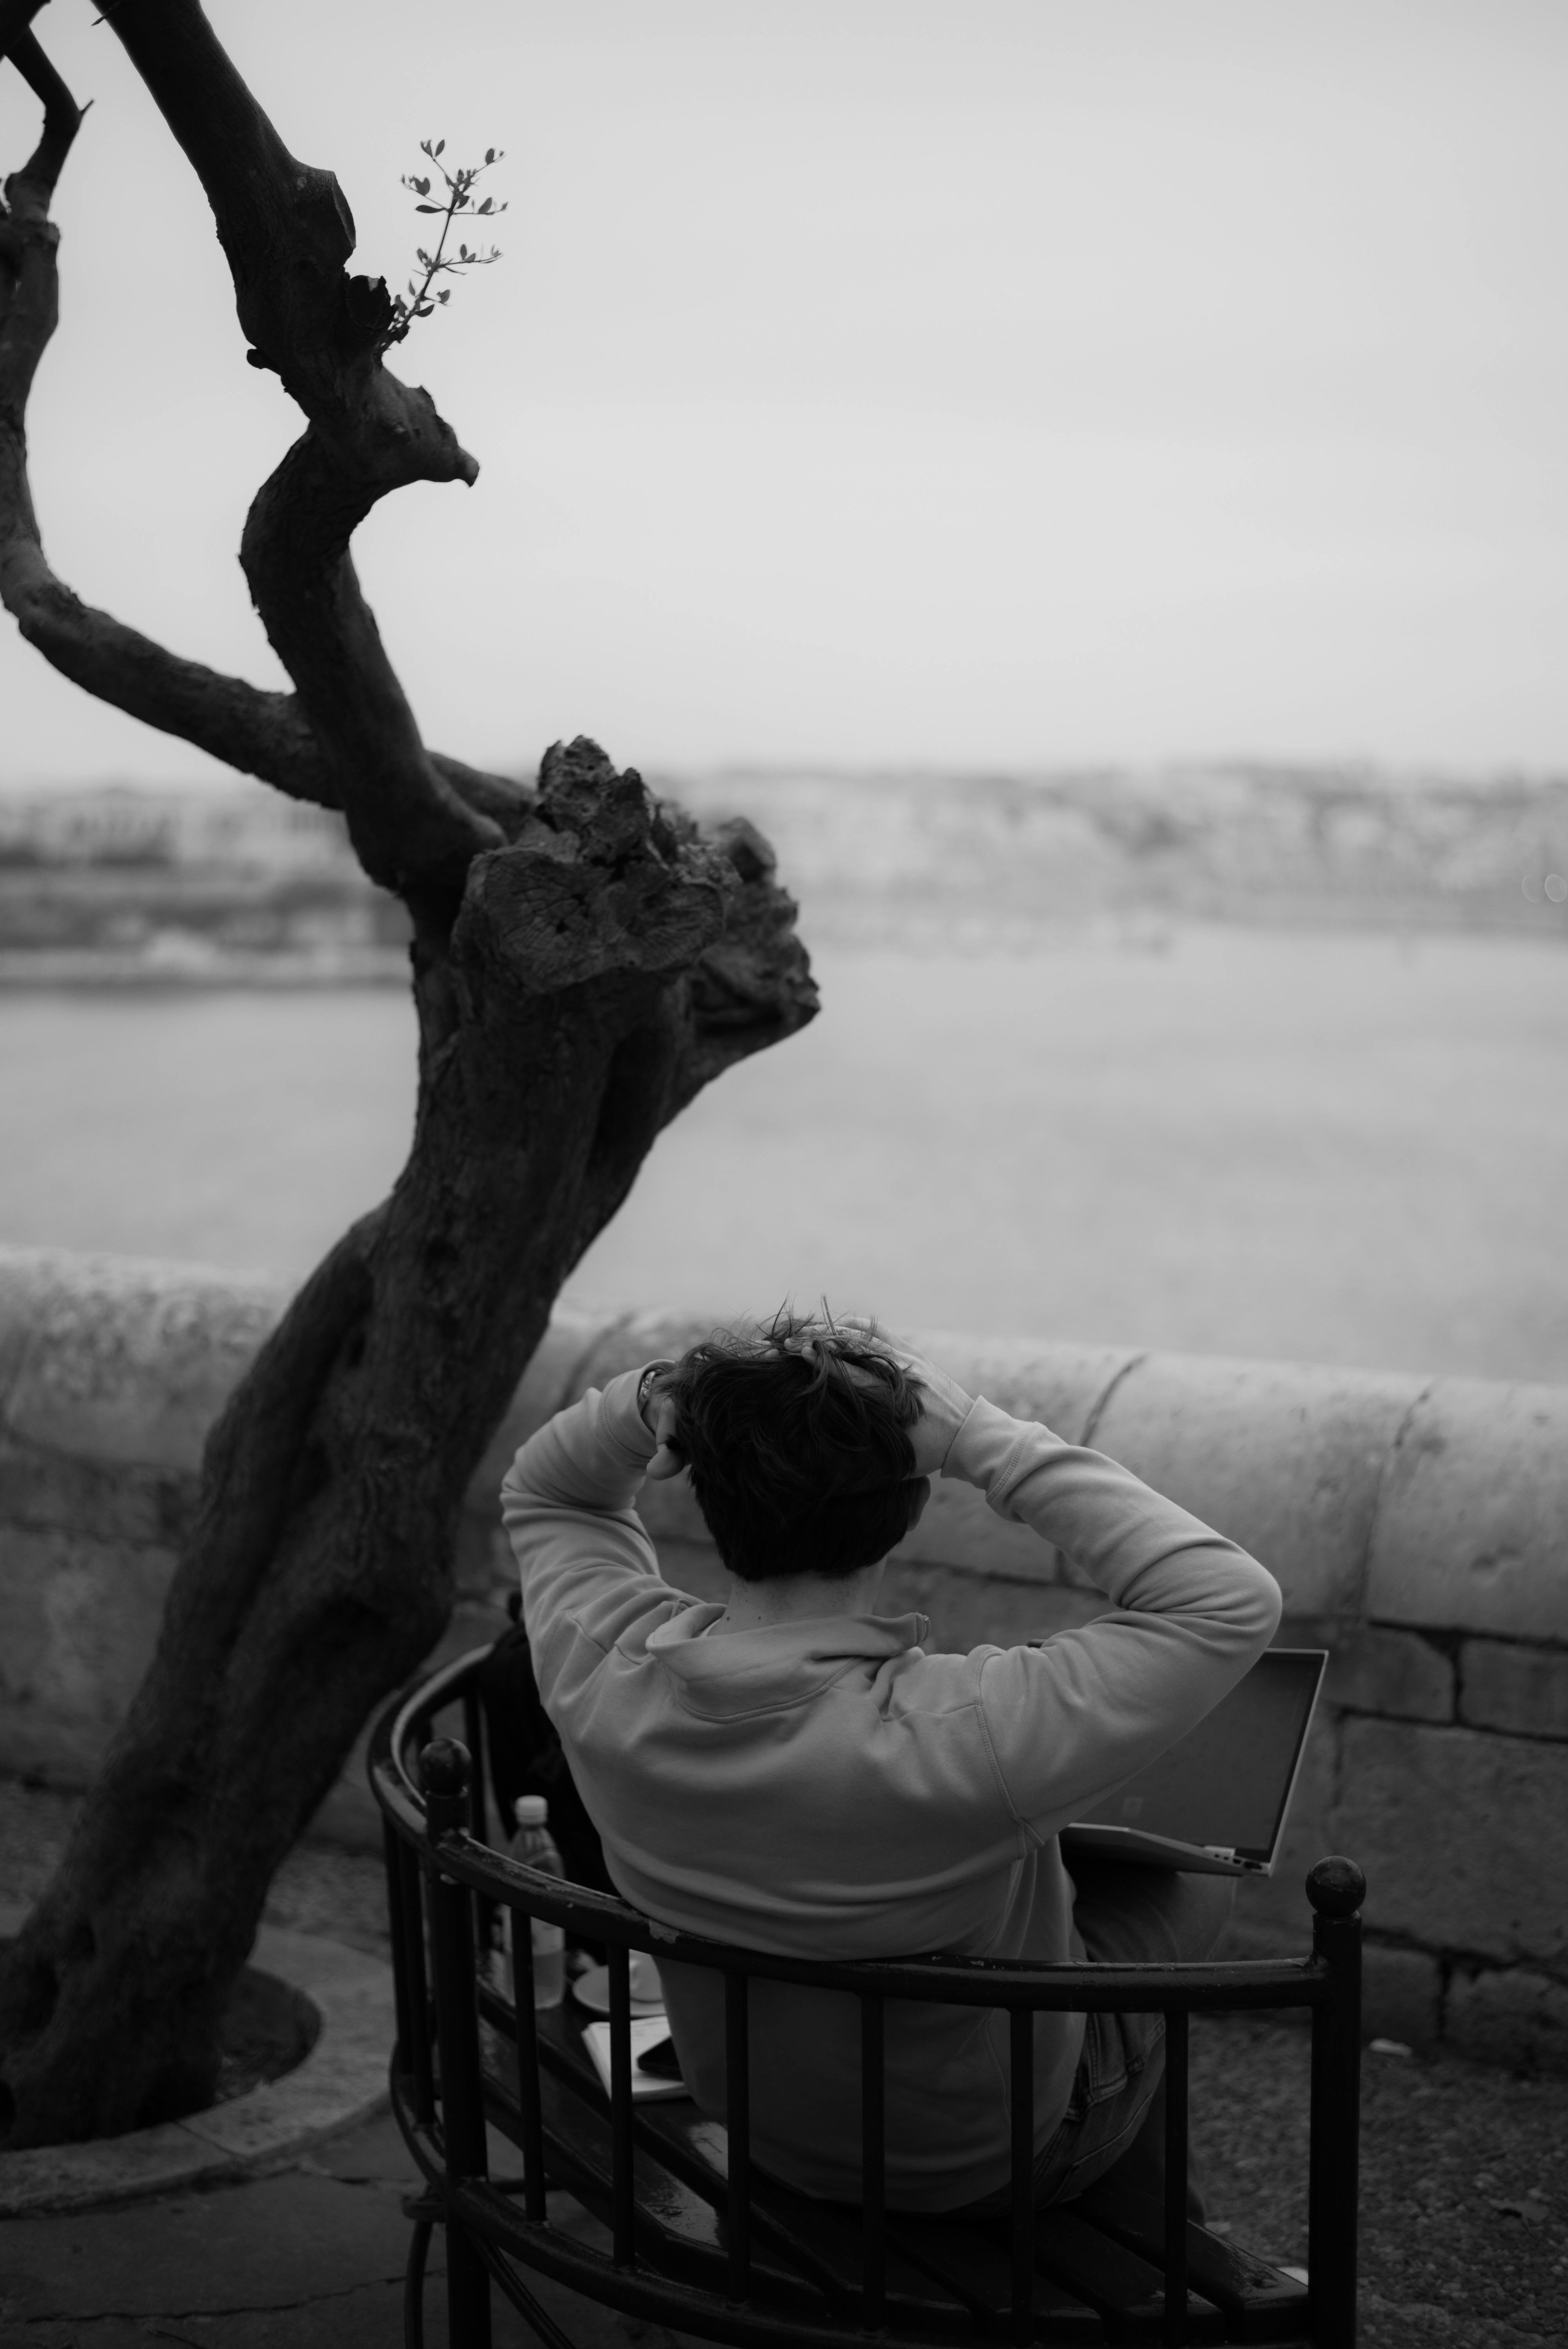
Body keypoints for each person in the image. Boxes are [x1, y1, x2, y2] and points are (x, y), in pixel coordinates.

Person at [499, 1308, 1281, 2215]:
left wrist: (651, 1397)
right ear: (907, 1504)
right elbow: (1227, 1599)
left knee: (1044, 1870)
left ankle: (1162, 2227)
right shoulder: (966, 1730)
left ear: (708, 1492)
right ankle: (1159, 2235)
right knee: (1197, 1879)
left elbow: (549, 1492)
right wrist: (974, 1436)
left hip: (765, 2127)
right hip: (979, 2162)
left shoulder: (602, 1664)